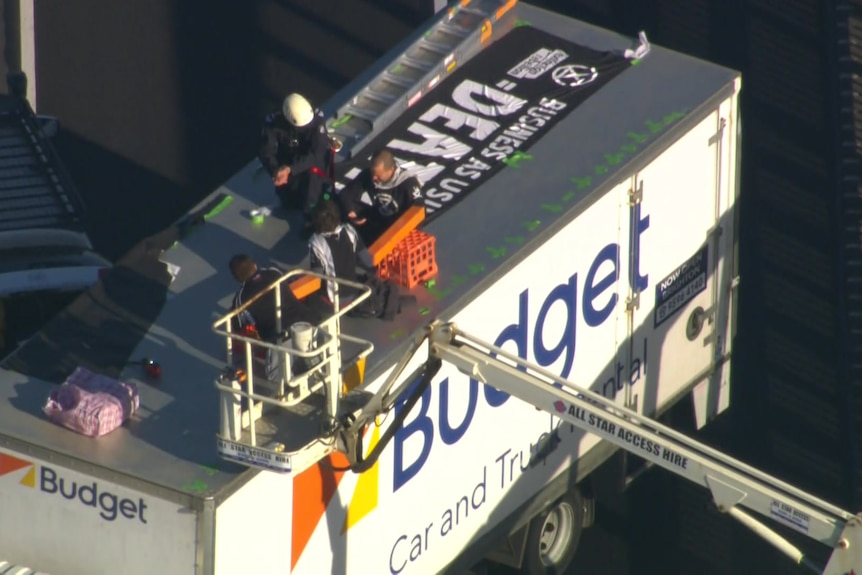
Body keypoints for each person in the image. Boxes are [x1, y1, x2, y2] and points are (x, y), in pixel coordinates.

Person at [258, 93, 333, 222]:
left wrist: (291, 169)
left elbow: (317, 153)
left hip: (310, 162)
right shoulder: (275, 122)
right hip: (287, 160)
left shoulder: (316, 119)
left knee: (313, 177)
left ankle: (311, 215)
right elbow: (266, 151)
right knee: (288, 200)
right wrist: (275, 170)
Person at [338, 148, 425, 245]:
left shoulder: (408, 184)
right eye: (373, 174)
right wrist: (351, 212)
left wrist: (397, 232)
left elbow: (419, 212)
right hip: (379, 219)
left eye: (379, 176)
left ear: (391, 170)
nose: (374, 178)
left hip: (399, 227)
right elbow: (346, 193)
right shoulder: (370, 176)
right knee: (338, 204)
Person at [308, 199, 375, 304]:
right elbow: (368, 261)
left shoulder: (316, 242)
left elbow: (317, 275)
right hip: (354, 290)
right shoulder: (350, 230)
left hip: (334, 298)